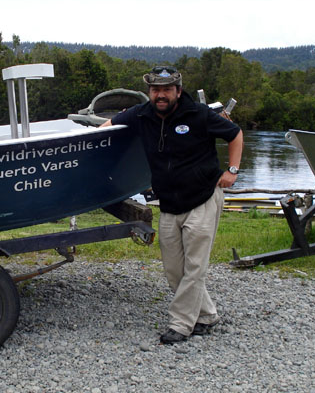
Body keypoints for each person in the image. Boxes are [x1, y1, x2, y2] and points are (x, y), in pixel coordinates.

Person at [101, 66, 243, 344]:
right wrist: (89, 142)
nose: (160, 95)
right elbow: (110, 125)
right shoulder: (142, 115)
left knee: (194, 267)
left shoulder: (199, 115)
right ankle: (207, 315)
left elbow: (235, 134)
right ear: (149, 92)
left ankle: (181, 324)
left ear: (178, 91)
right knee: (174, 270)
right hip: (168, 204)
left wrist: (233, 170)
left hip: (202, 199)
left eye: (166, 89)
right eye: (155, 90)